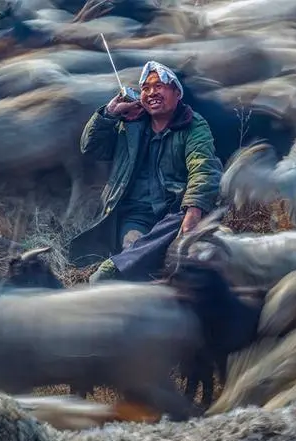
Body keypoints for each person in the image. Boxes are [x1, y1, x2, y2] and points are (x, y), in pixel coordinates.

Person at [68, 60, 223, 283]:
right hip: (136, 213)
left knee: (177, 226)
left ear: (176, 93)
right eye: (146, 89)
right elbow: (91, 148)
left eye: (159, 86)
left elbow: (203, 168)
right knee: (131, 244)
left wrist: (193, 211)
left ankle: (116, 269)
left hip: (173, 210)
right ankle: (123, 267)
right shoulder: (130, 123)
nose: (152, 93)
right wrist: (109, 114)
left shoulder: (194, 126)